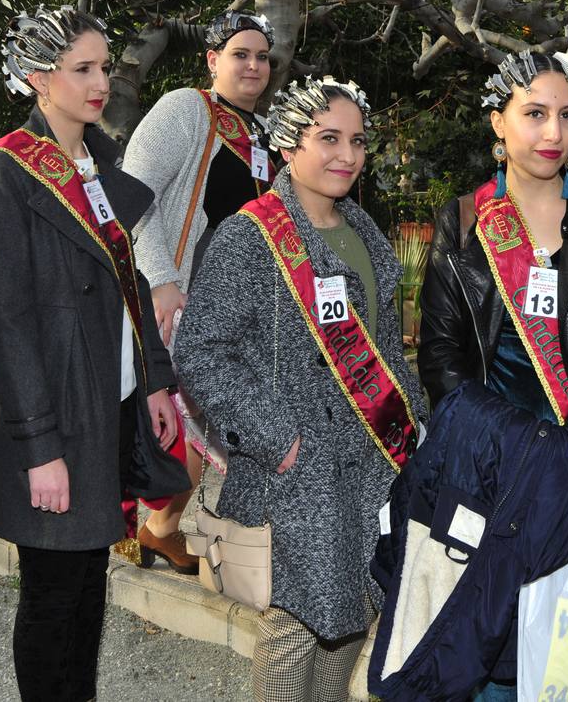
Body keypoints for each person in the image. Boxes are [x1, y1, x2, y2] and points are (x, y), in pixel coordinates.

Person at [416, 49, 568, 701]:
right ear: (498, 123)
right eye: (534, 114)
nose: (554, 133)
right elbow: (441, 357)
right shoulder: (464, 223)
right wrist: (509, 451)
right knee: (496, 656)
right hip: (496, 482)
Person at [175, 76, 423, 702]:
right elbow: (201, 351)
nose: (347, 155)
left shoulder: (365, 229)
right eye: (328, 139)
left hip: (371, 461)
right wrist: (276, 437)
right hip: (298, 471)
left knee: (353, 618)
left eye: (358, 141)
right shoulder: (250, 235)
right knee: (294, 629)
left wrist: (418, 425)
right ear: (288, 145)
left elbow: (387, 348)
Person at [0, 6, 186, 702]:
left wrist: (155, 379)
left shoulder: (96, 165)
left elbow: (131, 281)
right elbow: (7, 321)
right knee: (52, 594)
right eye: (83, 69)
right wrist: (39, 445)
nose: (101, 84)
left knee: (88, 586)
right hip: (56, 415)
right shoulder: (5, 170)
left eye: (105, 68)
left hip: (108, 405)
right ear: (38, 77)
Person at [122, 10, 276, 572]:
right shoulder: (187, 109)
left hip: (240, 309)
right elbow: (131, 194)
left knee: (211, 422)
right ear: (213, 60)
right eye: (240, 54)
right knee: (183, 420)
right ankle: (152, 526)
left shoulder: (266, 133)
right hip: (182, 296)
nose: (253, 65)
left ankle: (161, 529)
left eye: (262, 57)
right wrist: (160, 279)